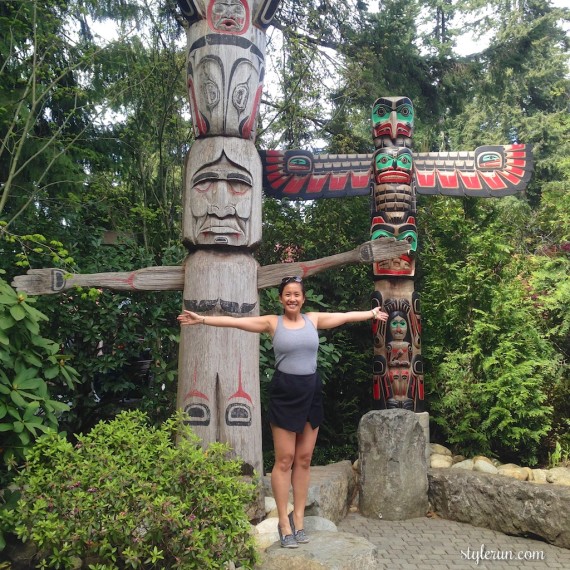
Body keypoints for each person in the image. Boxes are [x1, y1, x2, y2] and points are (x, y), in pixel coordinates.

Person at [178, 276, 388, 548]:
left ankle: (299, 518)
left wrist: (371, 313)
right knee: (285, 460)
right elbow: (236, 322)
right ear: (281, 298)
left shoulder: (313, 320)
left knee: (303, 459)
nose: (292, 298)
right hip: (285, 392)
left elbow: (344, 316)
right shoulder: (272, 323)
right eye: (287, 294)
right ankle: (283, 522)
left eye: (297, 294)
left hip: (311, 391)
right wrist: (203, 319)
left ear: (303, 298)